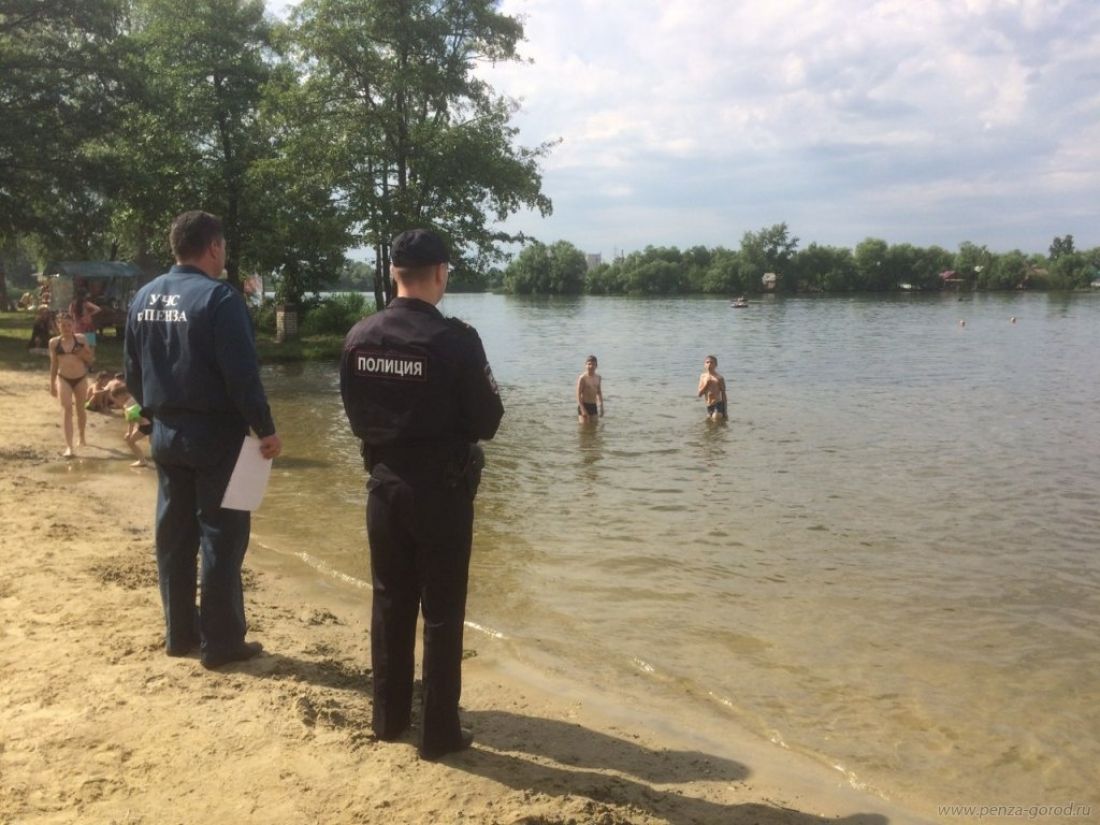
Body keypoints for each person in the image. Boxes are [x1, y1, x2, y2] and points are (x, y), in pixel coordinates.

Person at [340, 228, 504, 760]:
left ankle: (387, 719)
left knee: (390, 601)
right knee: (441, 611)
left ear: (393, 273)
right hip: (442, 492)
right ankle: (439, 734)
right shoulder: (455, 340)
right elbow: (487, 419)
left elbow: (355, 415)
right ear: (440, 273)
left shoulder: (360, 335)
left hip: (383, 486)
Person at [124, 210, 282, 669]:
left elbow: (133, 371)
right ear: (213, 247)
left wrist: (156, 411)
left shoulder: (144, 297)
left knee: (173, 536)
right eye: (224, 247)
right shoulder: (220, 299)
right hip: (216, 436)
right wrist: (265, 428)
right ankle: (222, 642)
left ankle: (179, 634)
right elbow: (242, 376)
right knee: (222, 536)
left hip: (166, 433)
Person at [48, 313, 94, 457]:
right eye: (63, 325)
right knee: (67, 409)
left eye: (69, 325)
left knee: (81, 409)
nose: (66, 328)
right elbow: (54, 364)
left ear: (73, 325)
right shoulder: (54, 343)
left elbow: (90, 359)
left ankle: (82, 436)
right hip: (63, 378)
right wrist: (52, 383)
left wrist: (81, 354)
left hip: (80, 378)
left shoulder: (81, 339)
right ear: (57, 326)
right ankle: (69, 446)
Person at [697, 354, 727, 420]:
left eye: (711, 362)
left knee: (715, 419)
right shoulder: (702, 377)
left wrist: (725, 411)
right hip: (709, 405)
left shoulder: (719, 378)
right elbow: (699, 394)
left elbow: (723, 394)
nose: (709, 364)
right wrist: (706, 384)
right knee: (710, 424)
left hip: (718, 404)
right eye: (707, 362)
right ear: (704, 365)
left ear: (716, 365)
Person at [576, 354, 603, 423]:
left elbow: (599, 392)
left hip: (593, 405)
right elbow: (578, 395)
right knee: (584, 429)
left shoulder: (598, 377)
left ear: (596, 366)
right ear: (585, 365)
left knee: (594, 427)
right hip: (584, 405)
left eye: (593, 364)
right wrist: (582, 409)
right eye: (589, 364)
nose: (591, 366)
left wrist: (601, 406)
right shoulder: (582, 378)